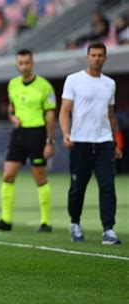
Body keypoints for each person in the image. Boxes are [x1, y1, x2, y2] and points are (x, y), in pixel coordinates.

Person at [59, 42, 122, 245]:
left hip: (104, 142)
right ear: (87, 57)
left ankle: (109, 230)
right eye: (93, 55)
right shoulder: (73, 80)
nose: (96, 58)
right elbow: (64, 111)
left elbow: (111, 115)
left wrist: (115, 141)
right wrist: (66, 133)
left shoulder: (109, 83)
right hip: (80, 141)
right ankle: (75, 223)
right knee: (78, 187)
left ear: (105, 58)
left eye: (100, 55)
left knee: (107, 186)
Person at [0, 49, 56, 232]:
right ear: (17, 65)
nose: (24, 66)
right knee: (8, 175)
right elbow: (12, 106)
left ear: (32, 63)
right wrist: (12, 116)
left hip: (38, 134)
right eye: (21, 63)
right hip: (18, 134)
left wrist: (50, 141)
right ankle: (6, 220)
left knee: (39, 176)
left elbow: (50, 116)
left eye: (27, 63)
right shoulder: (13, 84)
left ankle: (46, 222)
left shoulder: (45, 86)